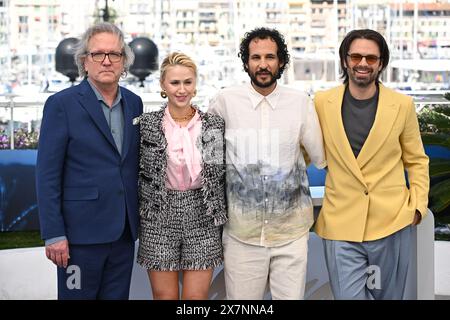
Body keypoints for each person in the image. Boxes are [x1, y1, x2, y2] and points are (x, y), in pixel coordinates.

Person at [208, 27, 326, 300]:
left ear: (281, 61)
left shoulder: (300, 103)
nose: (263, 64)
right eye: (256, 57)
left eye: (270, 57)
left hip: (292, 233)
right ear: (246, 62)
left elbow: (319, 156)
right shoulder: (224, 102)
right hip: (241, 235)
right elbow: (210, 160)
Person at [314, 29, 430, 300]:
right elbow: (305, 151)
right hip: (341, 223)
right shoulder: (321, 103)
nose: (362, 63)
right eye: (356, 56)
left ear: (381, 63)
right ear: (345, 60)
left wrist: (417, 207)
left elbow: (416, 160)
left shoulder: (402, 105)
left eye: (371, 58)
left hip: (391, 221)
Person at [36, 22, 143, 299]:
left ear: (124, 62)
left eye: (115, 54)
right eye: (98, 54)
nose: (107, 61)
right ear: (84, 60)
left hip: (123, 234)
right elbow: (47, 175)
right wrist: (53, 234)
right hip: (78, 237)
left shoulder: (135, 103)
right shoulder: (62, 104)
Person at [137, 52, 227, 300]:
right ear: (163, 86)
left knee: (196, 300)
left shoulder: (213, 125)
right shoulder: (147, 125)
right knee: (164, 297)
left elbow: (219, 172)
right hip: (158, 215)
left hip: (203, 215)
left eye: (187, 82)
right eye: (175, 83)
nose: (181, 89)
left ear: (195, 85)